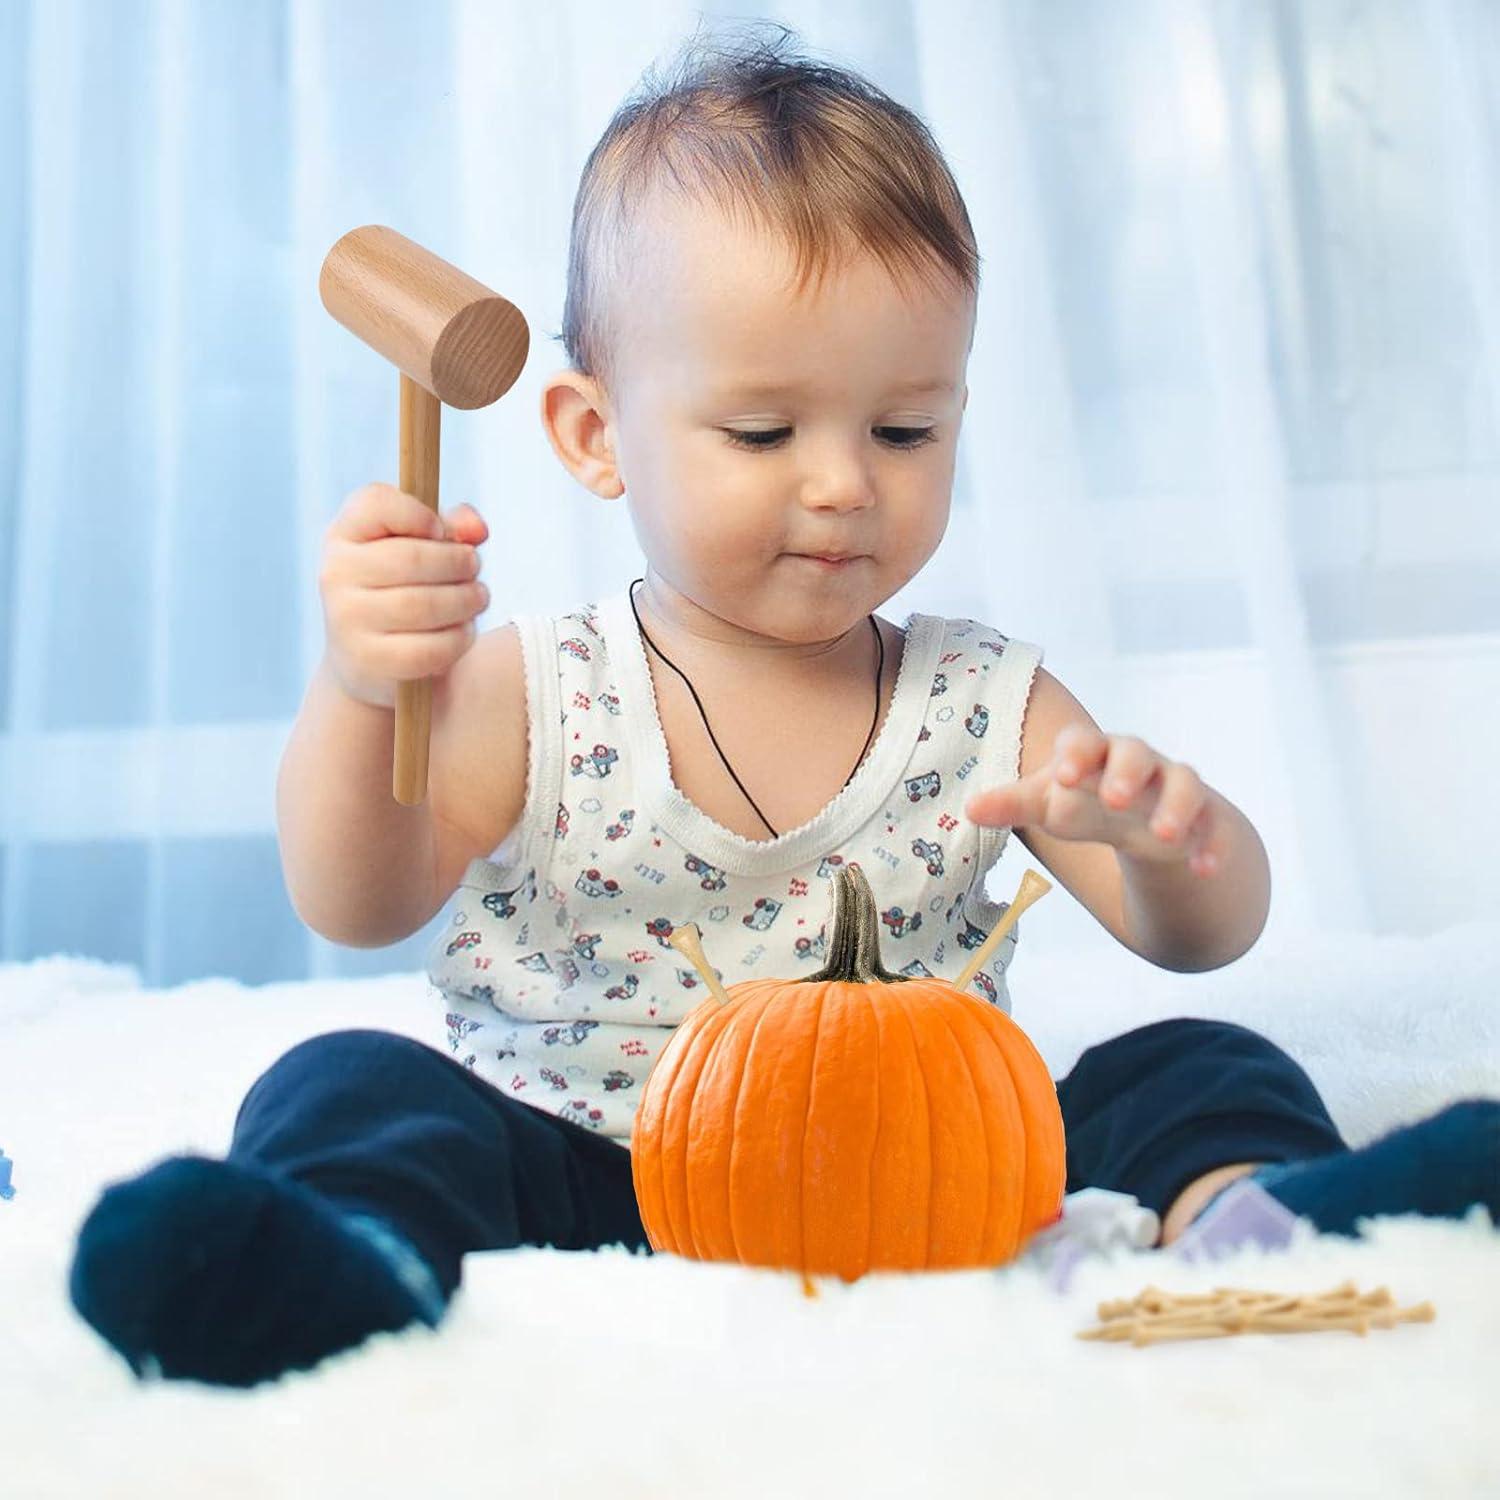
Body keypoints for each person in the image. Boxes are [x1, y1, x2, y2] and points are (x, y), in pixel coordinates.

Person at [69, 22, 1498, 1390]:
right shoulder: (540, 686)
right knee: (349, 1084)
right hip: (589, 1160)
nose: (842, 482)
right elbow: (355, 902)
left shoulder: (977, 693)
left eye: (905, 429)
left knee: (1197, 1064)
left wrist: (1171, 845)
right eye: (763, 431)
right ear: (593, 437)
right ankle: (354, 1271)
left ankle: (1261, 1221)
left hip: (931, 1175)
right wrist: (363, 686)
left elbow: (1196, 942)